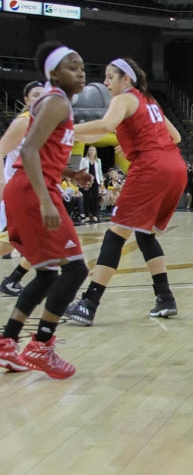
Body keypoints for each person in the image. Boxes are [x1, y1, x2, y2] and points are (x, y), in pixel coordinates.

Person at [65, 57, 186, 327]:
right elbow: (176, 137)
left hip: (152, 167)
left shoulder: (123, 100)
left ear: (126, 79)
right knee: (145, 234)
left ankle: (89, 303)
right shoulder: (149, 101)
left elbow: (106, 126)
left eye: (110, 77)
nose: (106, 82)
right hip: (175, 167)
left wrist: (66, 129)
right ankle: (165, 298)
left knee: (116, 233)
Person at [0, 41, 92, 377]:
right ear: (53, 73)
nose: (80, 72)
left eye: (82, 66)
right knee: (76, 269)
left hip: (27, 189)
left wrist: (70, 173)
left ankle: (7, 342)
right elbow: (28, 153)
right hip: (32, 192)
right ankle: (41, 345)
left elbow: (42, 153)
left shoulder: (56, 102)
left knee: (47, 272)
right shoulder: (55, 101)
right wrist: (43, 199)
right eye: (72, 66)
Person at [0, 81, 45, 297]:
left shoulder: (43, 124)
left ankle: (13, 279)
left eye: (43, 95)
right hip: (13, 190)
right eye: (35, 94)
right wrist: (1, 182)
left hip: (30, 191)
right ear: (26, 100)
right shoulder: (23, 122)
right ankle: (13, 279)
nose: (40, 98)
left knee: (34, 240)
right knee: (18, 240)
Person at [79, 145, 103, 222]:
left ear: (95, 152)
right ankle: (86, 216)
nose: (91, 151)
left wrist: (101, 182)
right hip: (87, 181)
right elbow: (81, 171)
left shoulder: (98, 160)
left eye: (93, 150)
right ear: (88, 151)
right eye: (90, 150)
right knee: (87, 198)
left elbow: (99, 172)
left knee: (95, 198)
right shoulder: (83, 160)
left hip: (96, 181)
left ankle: (94, 215)